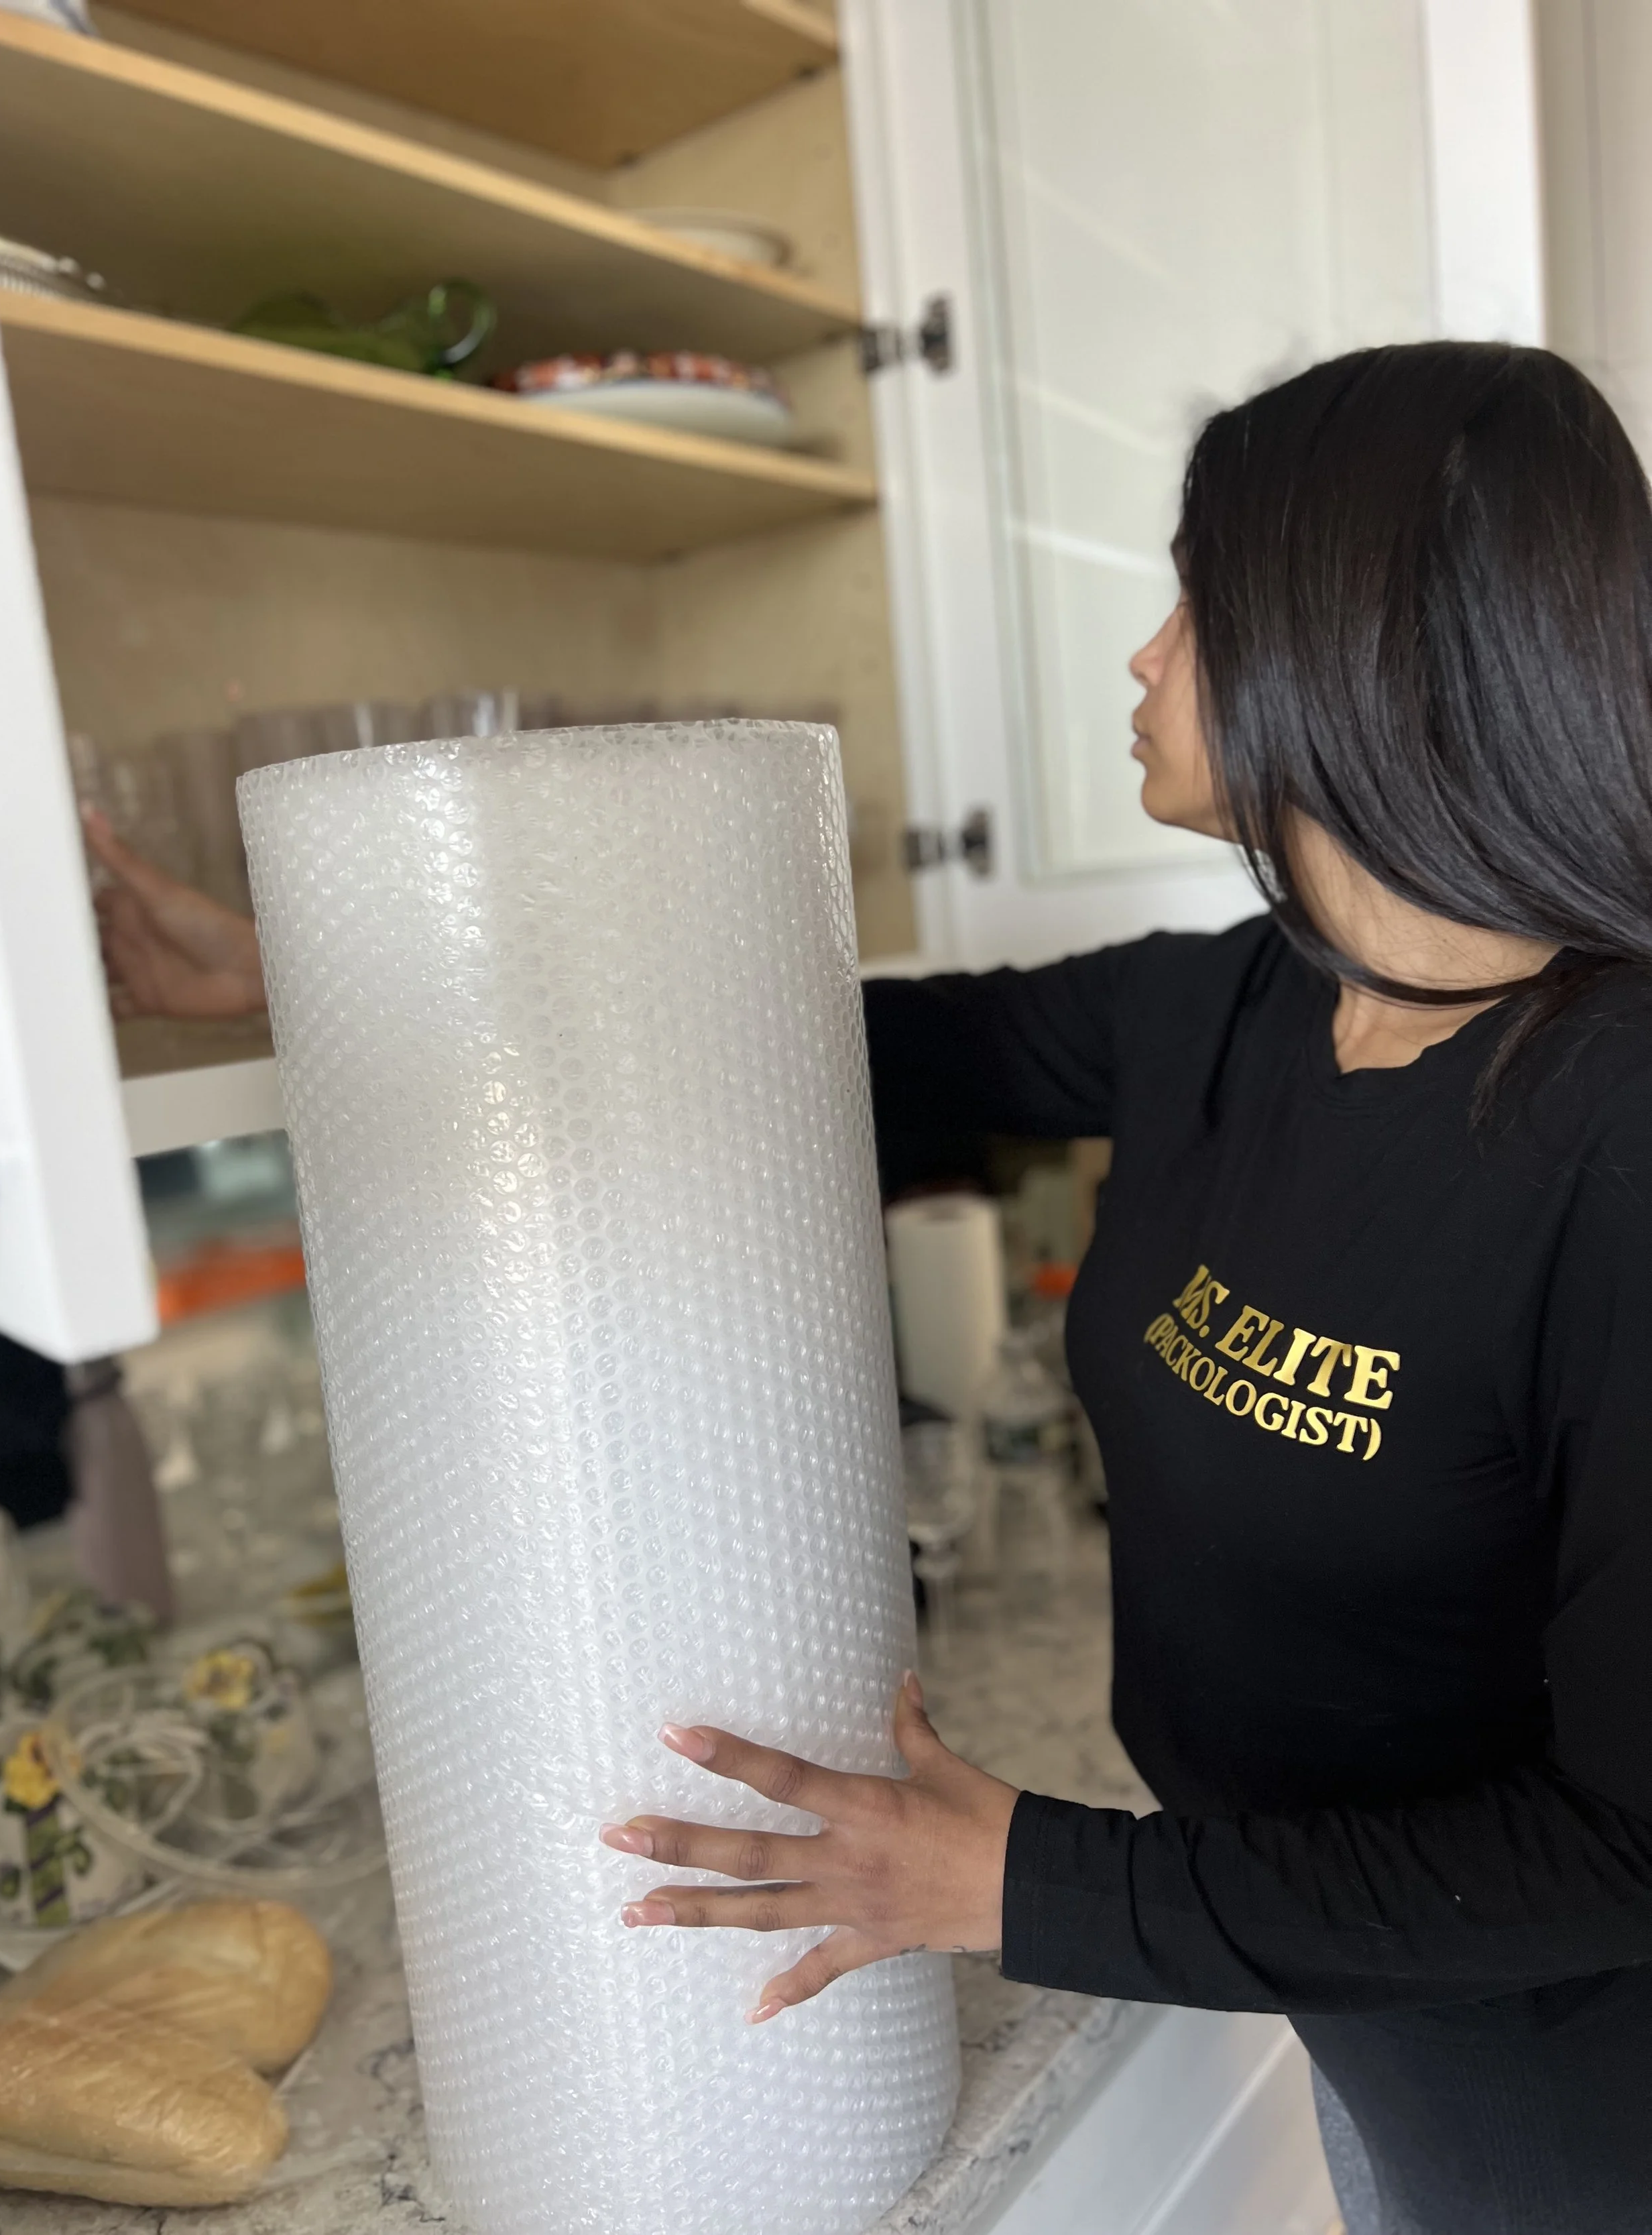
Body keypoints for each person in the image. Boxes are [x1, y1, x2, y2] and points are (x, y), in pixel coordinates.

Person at [94, 342, 1652, 2234]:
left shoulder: (1616, 1142)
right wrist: (282, 961)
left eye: (1199, 601)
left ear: (1355, 647)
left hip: (1576, 2058)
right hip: (1317, 1961)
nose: (1146, 657)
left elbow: (1621, 1844)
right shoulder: (1228, 1008)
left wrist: (1022, 1883)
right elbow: (760, 1038)